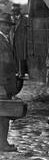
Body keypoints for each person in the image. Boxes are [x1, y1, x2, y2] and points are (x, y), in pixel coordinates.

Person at [0, 13, 24, 152]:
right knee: (3, 113)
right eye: (4, 24)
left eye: (9, 25)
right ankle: (2, 143)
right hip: (2, 83)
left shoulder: (5, 39)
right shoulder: (1, 40)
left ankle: (2, 141)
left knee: (3, 113)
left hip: (5, 82)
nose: (7, 27)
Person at [10, 4, 28, 77]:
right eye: (13, 11)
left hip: (21, 40)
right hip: (13, 39)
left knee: (21, 56)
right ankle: (17, 71)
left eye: (15, 11)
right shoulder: (11, 19)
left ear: (18, 11)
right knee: (14, 56)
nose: (14, 12)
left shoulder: (25, 19)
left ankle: (22, 72)